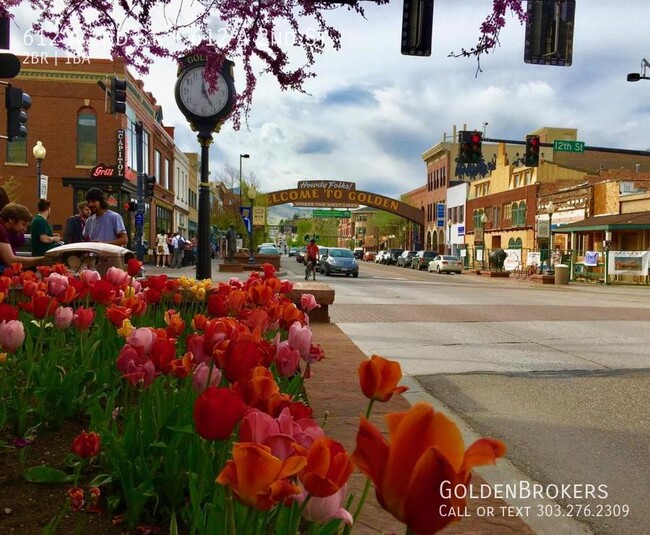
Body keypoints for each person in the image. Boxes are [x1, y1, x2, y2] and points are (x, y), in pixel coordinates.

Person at [0, 203, 46, 271]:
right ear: (11, 219)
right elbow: (10, 260)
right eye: (23, 224)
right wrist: (44, 259)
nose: (25, 229)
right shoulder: (0, 230)